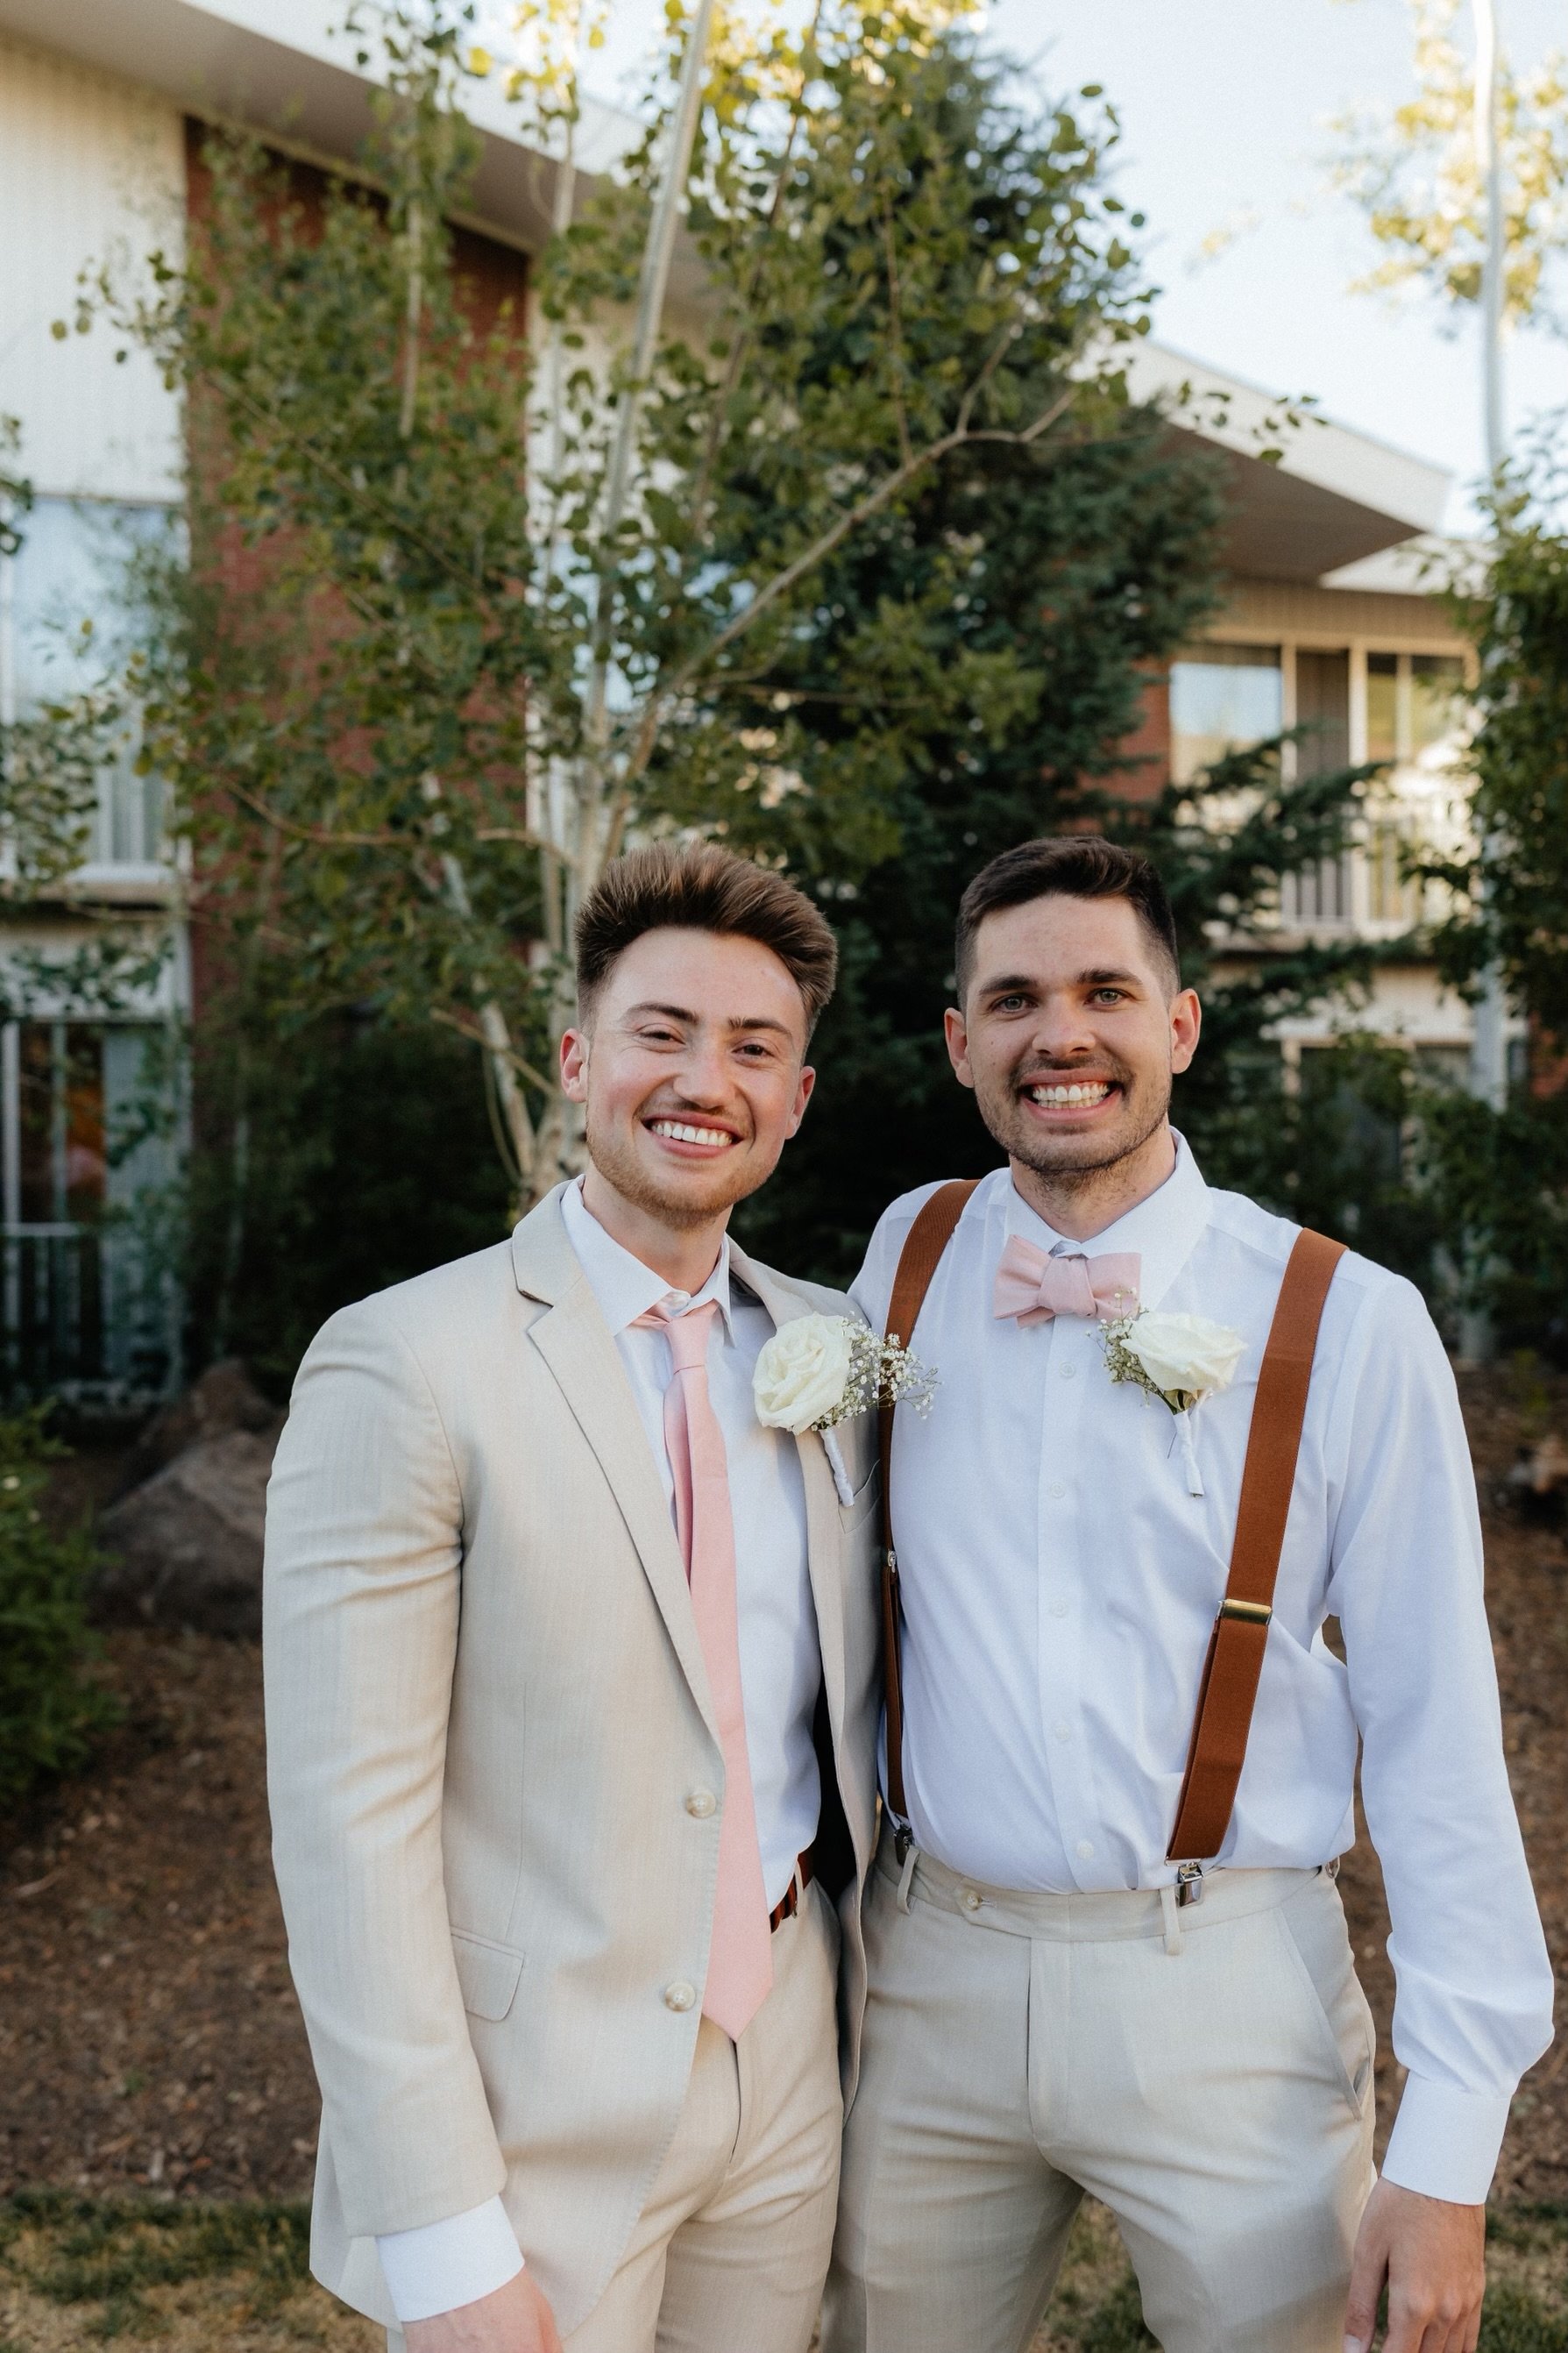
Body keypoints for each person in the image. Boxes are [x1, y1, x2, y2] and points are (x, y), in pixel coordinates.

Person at [824, 835, 1554, 2353]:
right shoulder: (905, 1257)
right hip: (932, 1975)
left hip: (1224, 1987)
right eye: (1013, 1000)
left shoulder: (1347, 1319)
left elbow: (1434, 1737)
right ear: (962, 1044)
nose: (1060, 1035)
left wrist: (1447, 2150)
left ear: (1180, 1026)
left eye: (1105, 990)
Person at [264, 842, 882, 2353]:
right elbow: (349, 1831)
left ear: (796, 1099)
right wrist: (439, 2234)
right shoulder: (404, 1359)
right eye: (660, 1032)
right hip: (530, 2101)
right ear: (577, 1057)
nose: (703, 1080)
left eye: (753, 1048)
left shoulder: (832, 1346)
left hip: (791, 2052)